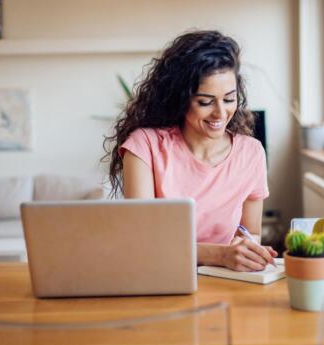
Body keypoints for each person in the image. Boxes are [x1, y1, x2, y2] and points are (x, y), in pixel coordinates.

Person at [103, 30, 277, 271]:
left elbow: (252, 232)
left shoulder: (251, 153)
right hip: (159, 276)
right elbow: (142, 241)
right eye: (205, 102)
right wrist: (220, 255)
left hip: (227, 281)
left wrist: (248, 251)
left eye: (229, 99)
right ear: (180, 98)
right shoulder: (145, 146)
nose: (220, 113)